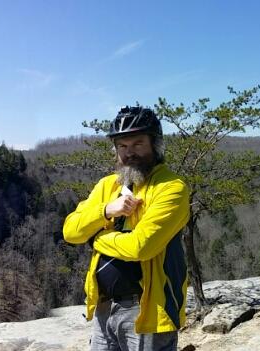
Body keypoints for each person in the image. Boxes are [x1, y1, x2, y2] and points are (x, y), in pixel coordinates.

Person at [63, 106, 190, 351]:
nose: (129, 153)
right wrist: (106, 211)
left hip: (147, 310)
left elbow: (141, 247)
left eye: (138, 144)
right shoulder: (107, 185)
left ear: (155, 144)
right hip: (104, 306)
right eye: (122, 146)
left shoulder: (171, 187)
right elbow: (70, 231)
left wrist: (96, 239)